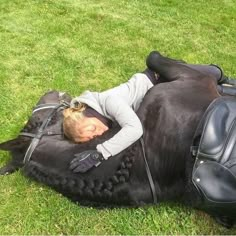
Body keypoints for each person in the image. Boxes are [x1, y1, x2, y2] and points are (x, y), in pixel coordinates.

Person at [63, 51, 233, 173]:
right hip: (161, 97)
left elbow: (134, 129)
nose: (100, 132)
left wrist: (100, 154)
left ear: (87, 114)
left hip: (159, 78)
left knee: (156, 60)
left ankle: (216, 72)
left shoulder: (109, 102)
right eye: (92, 137)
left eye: (92, 129)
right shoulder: (101, 116)